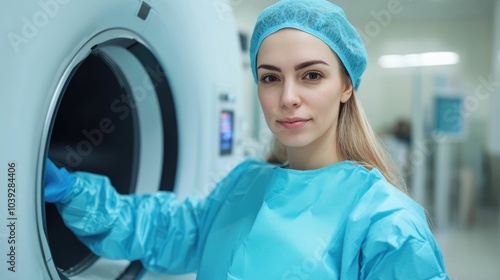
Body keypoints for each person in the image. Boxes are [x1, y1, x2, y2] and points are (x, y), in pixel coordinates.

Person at [44, 0, 448, 279]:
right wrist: (71, 191)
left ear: (346, 85)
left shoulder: (387, 224)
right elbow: (167, 230)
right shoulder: (246, 183)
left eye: (311, 75)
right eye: (271, 78)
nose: (288, 98)